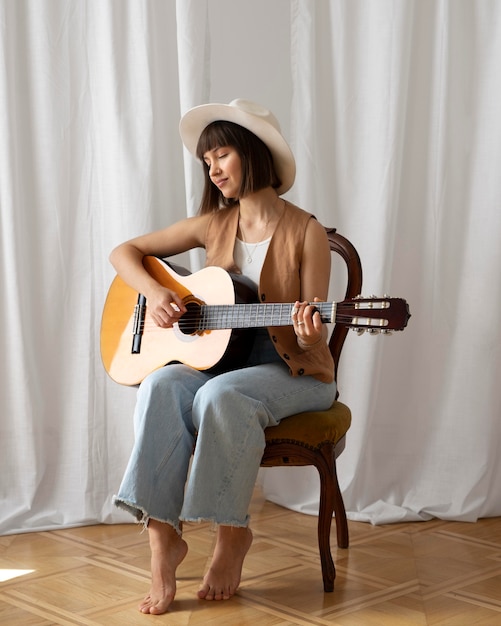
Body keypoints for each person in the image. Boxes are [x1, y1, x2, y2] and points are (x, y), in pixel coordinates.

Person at [110, 98, 336, 615]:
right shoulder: (214, 224)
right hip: (227, 364)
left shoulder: (308, 233)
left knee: (220, 394)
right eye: (206, 161)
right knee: (162, 385)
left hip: (297, 370)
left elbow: (313, 342)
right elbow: (123, 252)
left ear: (253, 154)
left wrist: (307, 331)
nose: (212, 169)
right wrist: (158, 292)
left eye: (222, 155)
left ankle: (232, 533)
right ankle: (163, 537)